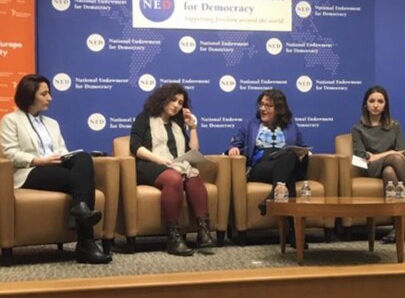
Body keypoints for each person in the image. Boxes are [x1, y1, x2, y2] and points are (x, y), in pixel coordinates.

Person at [0, 74, 111, 264]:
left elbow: (61, 149)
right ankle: (86, 242)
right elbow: (10, 153)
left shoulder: (52, 123)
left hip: (56, 167)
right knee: (82, 181)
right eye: (44, 94)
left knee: (83, 158)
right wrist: (39, 160)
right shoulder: (11, 120)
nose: (50, 98)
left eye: (49, 93)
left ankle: (80, 211)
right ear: (30, 95)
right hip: (28, 171)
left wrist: (63, 157)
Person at [130, 83, 215, 256]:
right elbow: (135, 146)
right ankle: (173, 237)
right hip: (149, 165)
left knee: (193, 177)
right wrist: (160, 159)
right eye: (173, 100)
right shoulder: (145, 118)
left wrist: (192, 127)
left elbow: (194, 151)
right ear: (163, 100)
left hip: (175, 165)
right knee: (174, 178)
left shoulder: (177, 125)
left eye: (180, 102)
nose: (176, 105)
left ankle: (203, 231)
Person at [352, 85, 405, 244]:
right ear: (365, 104)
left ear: (385, 105)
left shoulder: (395, 126)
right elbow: (361, 158)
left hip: (391, 167)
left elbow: (401, 153)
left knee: (389, 171)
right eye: (372, 101)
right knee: (394, 159)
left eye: (380, 101)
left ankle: (398, 227)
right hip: (370, 168)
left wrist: (378, 155)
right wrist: (390, 153)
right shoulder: (358, 129)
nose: (376, 105)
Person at [227, 89, 308, 248]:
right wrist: (232, 149)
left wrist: (303, 155)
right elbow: (235, 143)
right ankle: (293, 232)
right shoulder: (251, 124)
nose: (263, 109)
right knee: (287, 175)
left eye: (268, 106)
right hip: (261, 166)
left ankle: (273, 196)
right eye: (262, 104)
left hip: (286, 162)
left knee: (289, 156)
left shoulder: (291, 125)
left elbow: (303, 147)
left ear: (279, 109)